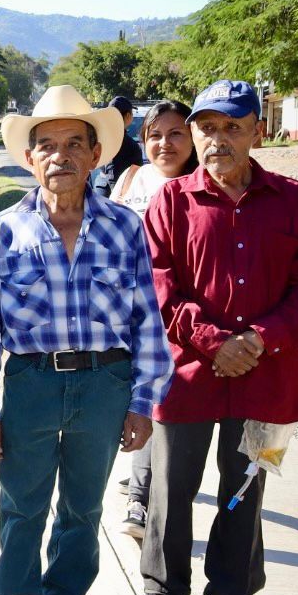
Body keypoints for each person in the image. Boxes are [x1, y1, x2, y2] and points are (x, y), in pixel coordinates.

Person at [0, 85, 171, 595]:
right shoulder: (5, 230)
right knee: (22, 504)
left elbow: (146, 316)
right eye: (46, 145)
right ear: (30, 158)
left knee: (83, 507)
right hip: (31, 382)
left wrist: (143, 399)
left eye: (74, 143)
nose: (60, 156)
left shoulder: (125, 228)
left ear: (96, 154)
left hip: (105, 383)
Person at [140, 80, 298, 595]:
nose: (217, 140)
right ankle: (163, 585)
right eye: (207, 127)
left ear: (257, 131)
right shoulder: (170, 202)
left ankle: (233, 592)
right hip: (187, 376)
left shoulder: (292, 199)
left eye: (232, 127)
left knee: (247, 485)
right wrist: (212, 341)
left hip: (268, 379)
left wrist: (262, 338)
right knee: (171, 486)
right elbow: (158, 284)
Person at [110, 99, 196, 539]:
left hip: (181, 315)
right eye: (155, 134)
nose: (165, 143)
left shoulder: (204, 184)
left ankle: (140, 501)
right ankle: (141, 486)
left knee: (159, 404)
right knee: (139, 402)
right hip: (130, 314)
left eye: (176, 133)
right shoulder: (130, 179)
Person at [92, 95, 145, 197]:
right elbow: (137, 175)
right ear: (128, 116)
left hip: (100, 186)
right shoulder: (129, 144)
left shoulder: (98, 137)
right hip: (121, 193)